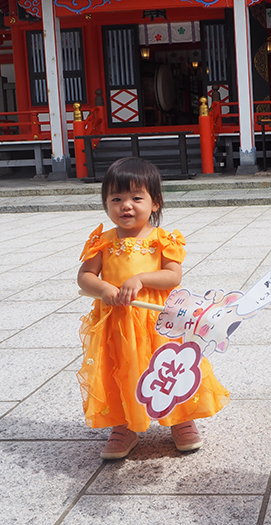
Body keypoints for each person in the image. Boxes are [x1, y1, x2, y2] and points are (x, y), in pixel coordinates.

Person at [77, 156, 229, 460]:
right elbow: (84, 278)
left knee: (170, 365)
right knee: (120, 369)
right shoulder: (103, 242)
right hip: (117, 322)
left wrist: (141, 277)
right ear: (106, 203)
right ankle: (123, 425)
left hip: (159, 320)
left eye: (136, 198)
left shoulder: (162, 239)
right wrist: (105, 287)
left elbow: (173, 276)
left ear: (155, 203)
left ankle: (181, 418)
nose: (126, 206)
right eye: (116, 199)